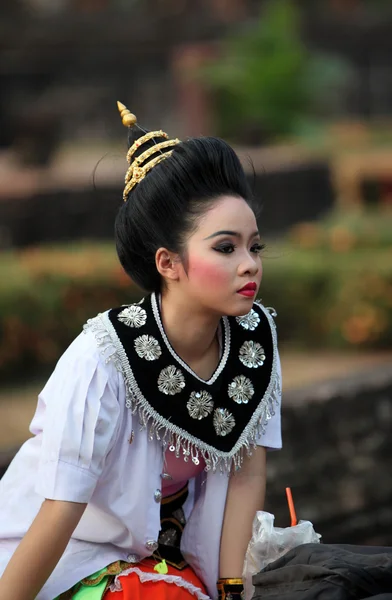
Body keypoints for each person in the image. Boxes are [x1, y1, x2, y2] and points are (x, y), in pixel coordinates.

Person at [0, 102, 282, 600]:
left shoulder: (255, 337)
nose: (249, 265)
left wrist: (234, 587)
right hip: (71, 556)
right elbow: (60, 510)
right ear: (168, 262)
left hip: (172, 557)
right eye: (225, 248)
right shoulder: (104, 359)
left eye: (254, 247)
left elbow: (246, 473)